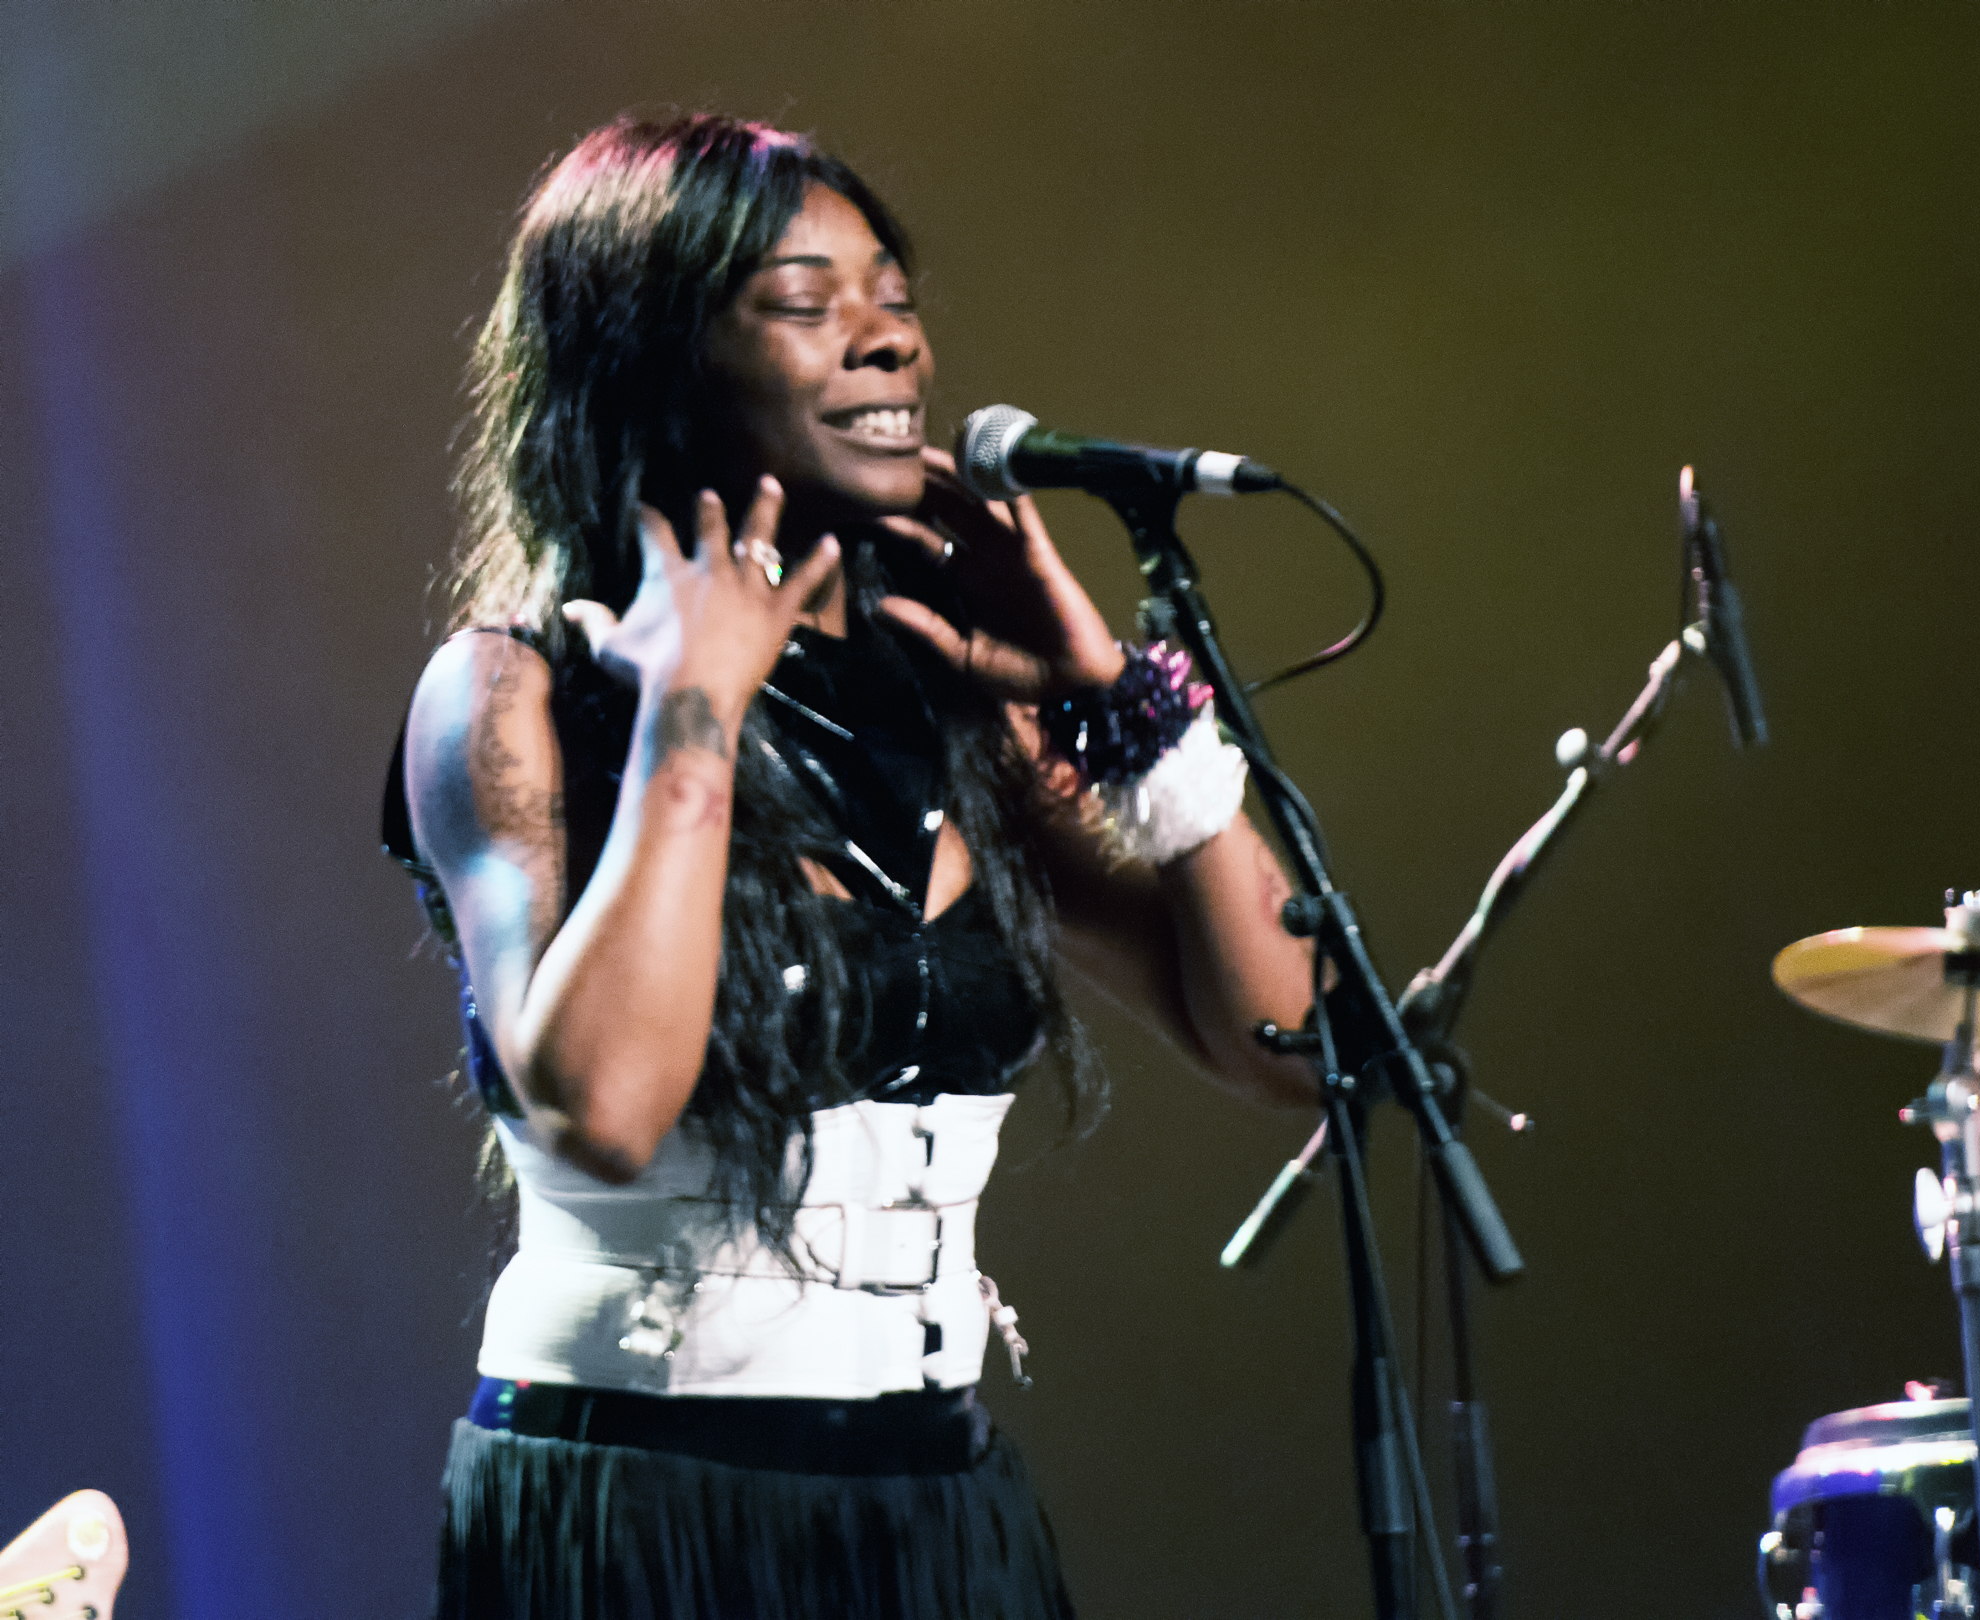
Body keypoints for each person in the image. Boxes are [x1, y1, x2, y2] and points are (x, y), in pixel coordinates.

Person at [384, 111, 1318, 1620]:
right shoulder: (513, 694)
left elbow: (1295, 1047)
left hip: (934, 1503)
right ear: (655, 353)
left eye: (893, 297)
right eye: (809, 307)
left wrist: (1124, 703)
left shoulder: (952, 696)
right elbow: (602, 1110)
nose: (887, 343)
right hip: (644, 1506)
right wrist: (695, 709)